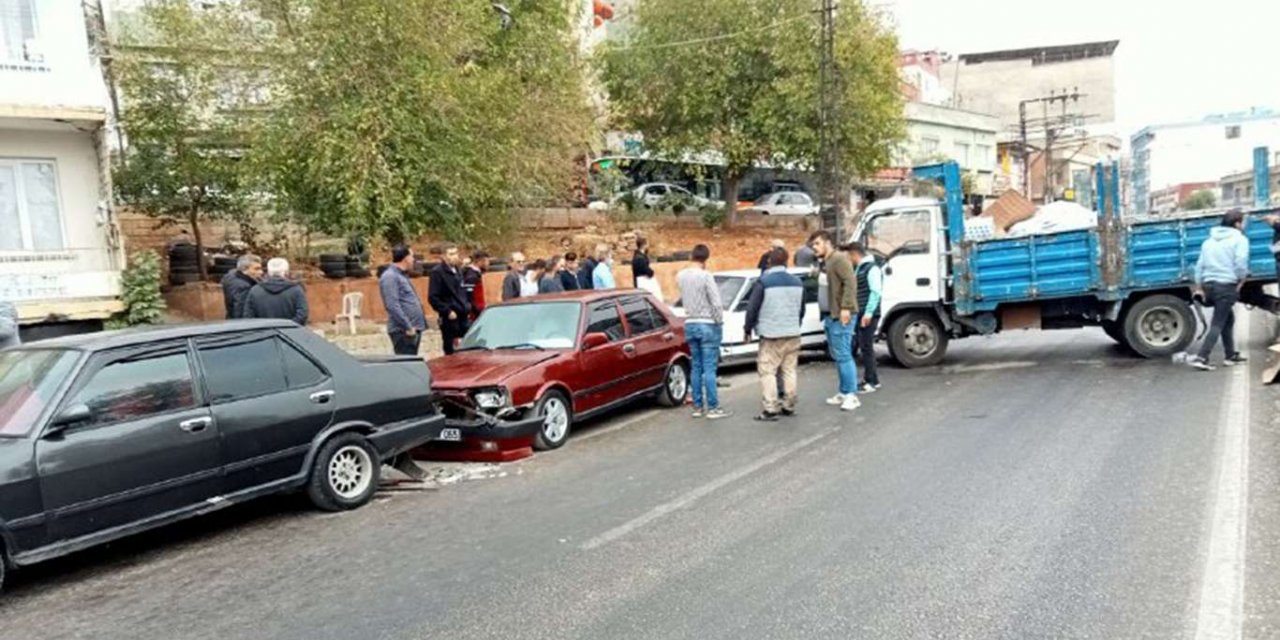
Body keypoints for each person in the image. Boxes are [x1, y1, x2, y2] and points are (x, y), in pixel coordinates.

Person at [744, 247, 804, 421]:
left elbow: (752, 309)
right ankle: (789, 405)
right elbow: (801, 309)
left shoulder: (763, 282)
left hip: (771, 334)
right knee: (789, 370)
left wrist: (748, 329)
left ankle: (771, 408)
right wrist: (795, 323)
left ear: (769, 262)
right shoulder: (798, 283)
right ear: (786, 261)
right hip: (793, 332)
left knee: (767, 370)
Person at [1190, 209, 1250, 370]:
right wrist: (1241, 279)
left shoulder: (1208, 242)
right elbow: (1241, 262)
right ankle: (1202, 358)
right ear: (1237, 223)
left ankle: (1230, 355)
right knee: (1218, 322)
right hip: (1226, 285)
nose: (1244, 225)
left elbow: (1199, 267)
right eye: (1243, 221)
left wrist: (1199, 287)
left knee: (1227, 319)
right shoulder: (1240, 239)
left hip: (1209, 286)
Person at [677, 244, 731, 419]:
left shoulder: (681, 276)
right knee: (709, 368)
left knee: (696, 367)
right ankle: (713, 407)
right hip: (707, 323)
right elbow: (715, 302)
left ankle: (698, 406)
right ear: (705, 259)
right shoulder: (706, 276)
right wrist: (719, 320)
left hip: (690, 322)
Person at [810, 230, 859, 411]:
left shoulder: (839, 259)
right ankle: (844, 391)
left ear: (828, 243)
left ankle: (851, 395)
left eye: (817, 243)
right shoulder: (826, 262)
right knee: (838, 354)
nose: (814, 248)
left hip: (841, 315)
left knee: (844, 354)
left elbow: (850, 282)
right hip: (831, 315)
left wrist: (846, 307)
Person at [846, 242, 883, 392]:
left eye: (849, 256)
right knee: (865, 346)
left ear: (855, 254)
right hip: (863, 312)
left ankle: (872, 381)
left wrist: (868, 313)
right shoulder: (861, 268)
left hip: (868, 314)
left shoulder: (871, 268)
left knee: (867, 347)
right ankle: (870, 379)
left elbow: (875, 292)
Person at [380, 245, 429, 356]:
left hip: (412, 329)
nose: (413, 260)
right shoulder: (390, 277)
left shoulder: (401, 275)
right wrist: (407, 326)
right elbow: (392, 305)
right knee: (407, 364)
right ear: (406, 258)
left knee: (412, 362)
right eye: (412, 257)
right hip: (403, 331)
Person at [428, 245, 470, 356]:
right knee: (451, 350)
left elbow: (462, 291)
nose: (454, 256)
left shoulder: (458, 270)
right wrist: (447, 311)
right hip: (450, 318)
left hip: (463, 316)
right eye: (451, 254)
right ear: (443, 256)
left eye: (456, 253)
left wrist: (467, 305)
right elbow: (433, 297)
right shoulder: (437, 272)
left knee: (466, 349)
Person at [242, 258, 309, 325]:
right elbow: (302, 315)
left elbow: (248, 317)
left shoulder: (255, 290)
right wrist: (288, 327)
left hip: (263, 333)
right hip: (289, 333)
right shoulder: (296, 290)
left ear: (268, 272)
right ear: (286, 272)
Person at [220, 254, 262, 319]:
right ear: (245, 270)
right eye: (256, 269)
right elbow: (241, 311)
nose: (261, 272)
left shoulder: (231, 277)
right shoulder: (244, 287)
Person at [463, 251, 489, 322]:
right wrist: (477, 311)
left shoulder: (475, 274)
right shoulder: (471, 276)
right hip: (474, 315)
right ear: (480, 261)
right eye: (486, 261)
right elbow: (469, 296)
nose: (488, 264)